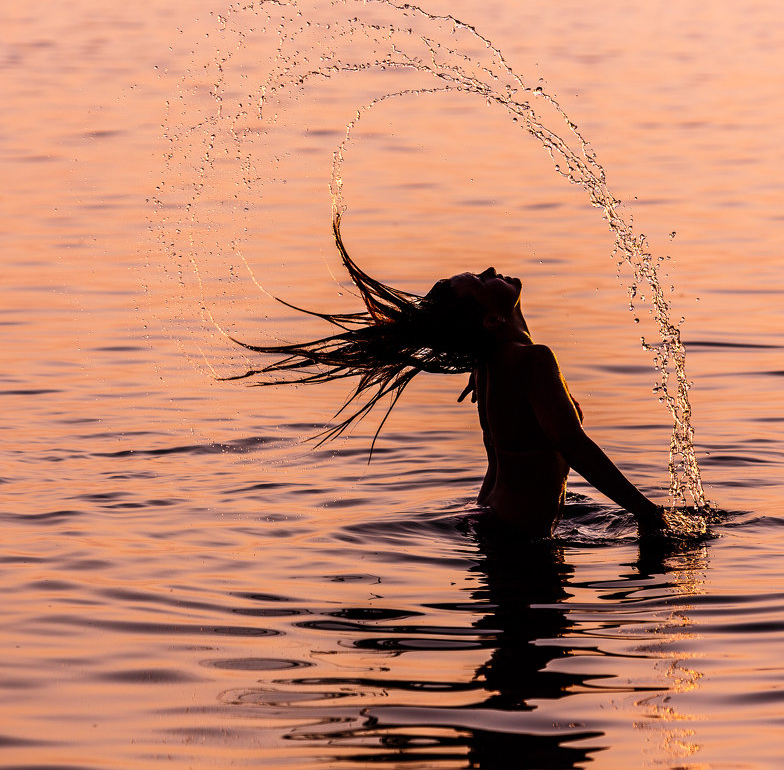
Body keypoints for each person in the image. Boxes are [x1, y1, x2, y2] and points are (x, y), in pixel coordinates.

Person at [230, 216, 667, 539]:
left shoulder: (492, 364)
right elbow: (573, 445)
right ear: (493, 321)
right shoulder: (529, 361)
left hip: (496, 523)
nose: (492, 270)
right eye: (480, 280)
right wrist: (646, 513)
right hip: (519, 541)